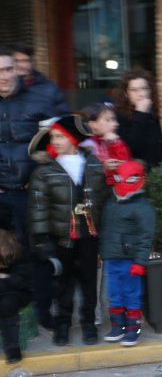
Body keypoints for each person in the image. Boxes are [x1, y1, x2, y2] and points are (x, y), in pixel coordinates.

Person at [0, 45, 67, 331]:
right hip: (1, 194)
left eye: (7, 69)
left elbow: (59, 143)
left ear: (17, 70)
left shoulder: (40, 99)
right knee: (4, 256)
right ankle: (10, 317)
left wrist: (40, 174)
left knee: (39, 252)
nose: (3, 76)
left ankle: (42, 311)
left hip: (33, 193)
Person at [27, 115, 106, 346]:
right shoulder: (44, 171)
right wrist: (42, 240)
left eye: (60, 135)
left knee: (89, 283)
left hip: (89, 237)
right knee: (62, 284)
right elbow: (38, 209)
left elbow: (103, 200)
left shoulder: (93, 164)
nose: (56, 140)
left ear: (73, 138)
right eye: (53, 136)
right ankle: (62, 325)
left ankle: (89, 323)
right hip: (61, 239)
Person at [100, 160, 155, 347]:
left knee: (132, 294)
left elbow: (146, 236)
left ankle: (133, 329)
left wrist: (140, 262)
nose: (123, 182)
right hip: (111, 258)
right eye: (119, 177)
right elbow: (105, 231)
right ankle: (118, 326)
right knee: (114, 293)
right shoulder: (110, 203)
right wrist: (102, 253)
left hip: (130, 260)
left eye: (129, 178)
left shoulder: (143, 207)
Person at [113, 69, 162, 169]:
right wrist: (140, 113)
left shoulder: (151, 111)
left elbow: (155, 145)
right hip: (132, 175)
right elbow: (130, 147)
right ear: (126, 94)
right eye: (134, 90)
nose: (141, 94)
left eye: (144, 88)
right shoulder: (119, 115)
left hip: (155, 173)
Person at [0, 208, 32, 364]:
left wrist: (5, 279)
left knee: (7, 304)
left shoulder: (16, 244)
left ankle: (12, 347)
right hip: (7, 287)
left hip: (15, 291)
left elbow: (23, 278)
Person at [80, 102, 132, 186]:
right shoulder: (87, 145)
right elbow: (86, 174)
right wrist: (103, 168)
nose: (116, 124)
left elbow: (126, 166)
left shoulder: (116, 141)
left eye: (115, 120)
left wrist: (116, 144)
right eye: (108, 120)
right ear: (92, 124)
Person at [11, 44, 69, 112]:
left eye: (25, 61)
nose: (20, 65)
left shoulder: (50, 89)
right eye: (16, 61)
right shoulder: (3, 90)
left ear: (32, 63)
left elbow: (63, 117)